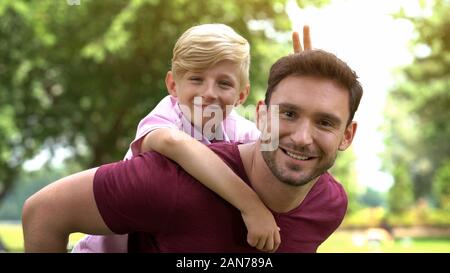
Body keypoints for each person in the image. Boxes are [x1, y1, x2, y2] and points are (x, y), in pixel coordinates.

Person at [23, 49, 362, 252]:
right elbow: (42, 212)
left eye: (325, 123)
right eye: (288, 113)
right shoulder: (170, 181)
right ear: (261, 114)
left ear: (347, 136)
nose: (303, 137)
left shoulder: (329, 204)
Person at [71, 24, 312, 253]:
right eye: (196, 79)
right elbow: (173, 144)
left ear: (241, 94)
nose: (208, 93)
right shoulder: (167, 116)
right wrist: (251, 206)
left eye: (224, 83)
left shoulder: (241, 131)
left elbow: (280, 156)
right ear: (173, 85)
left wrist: (305, 92)